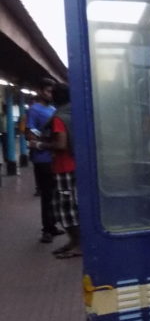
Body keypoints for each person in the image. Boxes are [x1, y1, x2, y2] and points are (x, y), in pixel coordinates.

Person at [37, 86, 80, 258]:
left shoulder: (58, 118)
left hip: (64, 170)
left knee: (66, 208)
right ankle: (73, 241)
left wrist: (40, 145)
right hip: (72, 167)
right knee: (65, 206)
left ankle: (79, 244)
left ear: (55, 99)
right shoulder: (72, 113)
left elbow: (61, 144)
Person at [26, 78, 62, 242]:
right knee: (47, 194)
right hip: (42, 158)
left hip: (53, 157)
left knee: (54, 193)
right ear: (40, 91)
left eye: (52, 91)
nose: (50, 94)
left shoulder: (53, 108)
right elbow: (31, 132)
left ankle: (52, 225)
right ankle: (46, 230)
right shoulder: (34, 110)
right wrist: (45, 141)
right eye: (48, 91)